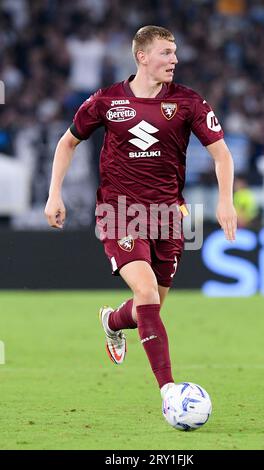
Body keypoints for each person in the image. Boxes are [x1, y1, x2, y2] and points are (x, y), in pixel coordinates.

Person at [45, 25, 237, 400]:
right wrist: (55, 194)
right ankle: (169, 391)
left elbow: (222, 154)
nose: (175, 60)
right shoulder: (106, 101)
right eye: (166, 53)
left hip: (168, 215)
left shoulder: (188, 102)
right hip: (119, 212)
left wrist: (225, 199)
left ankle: (112, 321)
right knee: (146, 292)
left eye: (175, 52)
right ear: (142, 57)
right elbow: (68, 142)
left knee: (149, 307)